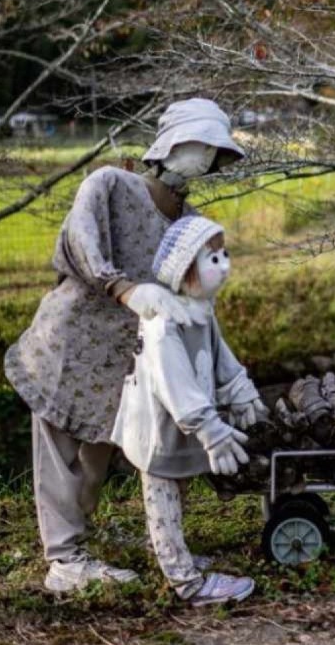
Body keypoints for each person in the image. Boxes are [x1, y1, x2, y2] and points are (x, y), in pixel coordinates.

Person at [4, 98, 246, 592]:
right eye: (200, 144)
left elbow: (195, 296)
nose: (206, 157)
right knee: (60, 457)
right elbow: (81, 240)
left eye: (214, 151)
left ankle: (87, 542)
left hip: (126, 362)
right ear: (172, 144)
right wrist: (123, 287)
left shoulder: (190, 222)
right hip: (69, 343)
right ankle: (65, 561)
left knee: (98, 458)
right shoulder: (111, 185)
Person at [111, 215, 265, 607]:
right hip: (158, 429)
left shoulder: (201, 311)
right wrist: (211, 430)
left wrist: (239, 390)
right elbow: (174, 383)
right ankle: (186, 583)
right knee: (162, 496)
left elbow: (219, 357)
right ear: (185, 268)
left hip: (180, 428)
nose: (225, 265)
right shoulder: (164, 322)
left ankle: (168, 552)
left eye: (225, 255)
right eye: (212, 259)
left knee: (177, 493)